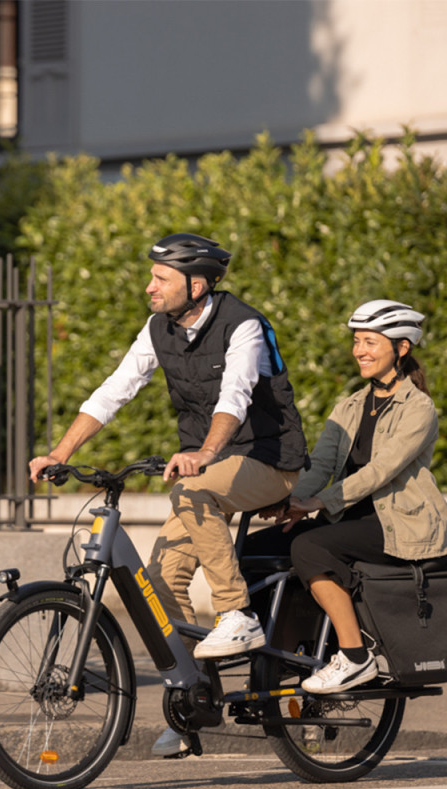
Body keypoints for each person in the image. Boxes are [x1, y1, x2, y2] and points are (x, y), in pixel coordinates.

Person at [28, 233, 308, 753]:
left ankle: (236, 614)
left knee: (195, 489)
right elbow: (115, 388)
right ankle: (194, 704)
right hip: (209, 473)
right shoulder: (159, 329)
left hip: (270, 461)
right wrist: (61, 452)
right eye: (151, 276)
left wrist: (204, 453)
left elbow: (237, 395)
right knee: (159, 582)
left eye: (161, 279)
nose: (149, 286)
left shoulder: (242, 323)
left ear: (196, 285)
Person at [248, 299, 447, 694]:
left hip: (397, 522)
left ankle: (356, 657)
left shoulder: (419, 408)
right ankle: (279, 650)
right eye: (357, 341)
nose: (360, 350)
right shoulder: (351, 405)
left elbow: (382, 470)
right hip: (347, 516)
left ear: (402, 348)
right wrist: (292, 501)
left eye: (371, 342)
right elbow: (320, 465)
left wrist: (319, 503)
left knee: (309, 547)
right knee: (255, 548)